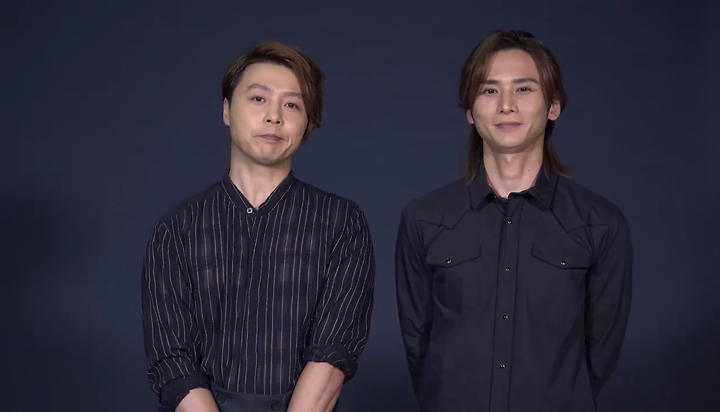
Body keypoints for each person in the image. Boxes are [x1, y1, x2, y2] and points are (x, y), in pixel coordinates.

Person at [395, 30, 633, 412]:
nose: (506, 105)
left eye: (523, 89)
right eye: (489, 90)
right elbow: (418, 344)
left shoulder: (600, 223)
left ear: (553, 106)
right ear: (470, 111)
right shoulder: (423, 219)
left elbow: (599, 354)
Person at [140, 40, 376, 412]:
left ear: (308, 123)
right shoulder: (177, 228)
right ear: (226, 110)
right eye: (258, 98)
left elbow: (333, 352)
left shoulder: (342, 222)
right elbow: (172, 362)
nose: (274, 116)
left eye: (292, 104)